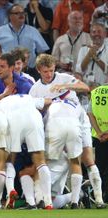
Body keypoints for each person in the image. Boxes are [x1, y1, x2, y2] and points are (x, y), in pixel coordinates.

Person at [29, 54, 106, 208]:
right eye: (45, 72)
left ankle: (99, 200)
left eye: (51, 70)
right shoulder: (35, 90)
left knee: (88, 159)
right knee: (55, 161)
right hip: (54, 126)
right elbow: (34, 112)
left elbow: (85, 88)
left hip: (79, 120)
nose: (49, 74)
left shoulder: (63, 77)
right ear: (39, 70)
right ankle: (63, 198)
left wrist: (65, 87)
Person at [0, 94, 53, 209]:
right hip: (34, 118)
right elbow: (48, 101)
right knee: (40, 161)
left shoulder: (1, 103)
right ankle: (48, 201)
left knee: (9, 159)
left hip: (13, 120)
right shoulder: (29, 97)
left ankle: (10, 191)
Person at [0, 4, 49, 68]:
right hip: (7, 70)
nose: (21, 15)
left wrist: (39, 67)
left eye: (23, 13)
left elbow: (42, 52)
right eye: (17, 13)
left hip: (30, 70)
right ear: (10, 16)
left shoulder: (33, 31)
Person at [87, 84, 108, 203]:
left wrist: (99, 132)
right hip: (104, 135)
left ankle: (98, 196)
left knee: (99, 167)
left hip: (98, 137)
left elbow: (90, 113)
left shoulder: (95, 92)